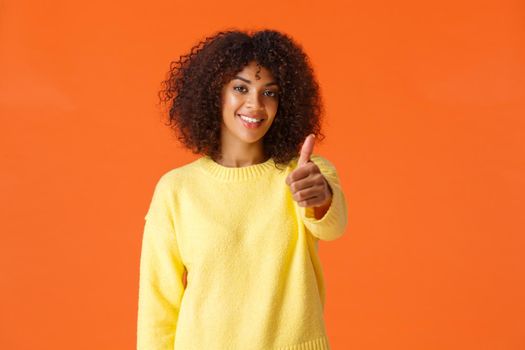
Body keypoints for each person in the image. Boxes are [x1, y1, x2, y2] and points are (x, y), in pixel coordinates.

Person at [137, 29, 348, 350]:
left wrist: (320, 197)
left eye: (270, 93)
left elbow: (333, 226)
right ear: (214, 93)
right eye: (240, 88)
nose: (255, 104)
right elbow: (157, 304)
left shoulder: (305, 172)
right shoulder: (177, 190)